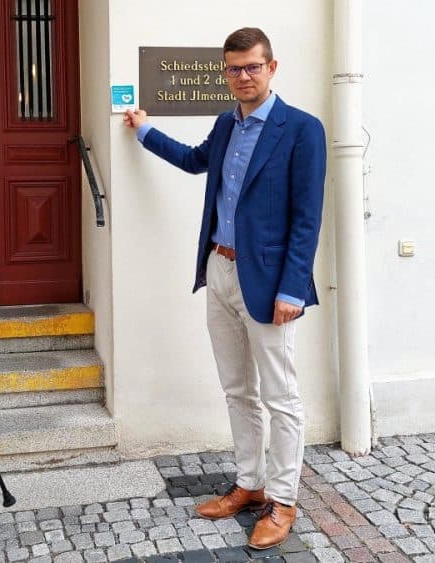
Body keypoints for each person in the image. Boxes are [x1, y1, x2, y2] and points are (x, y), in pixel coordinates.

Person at [123, 27, 326, 549]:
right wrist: (144, 131)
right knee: (238, 390)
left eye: (252, 67)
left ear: (272, 68)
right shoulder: (225, 123)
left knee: (281, 397)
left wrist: (292, 289)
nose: (243, 76)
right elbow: (195, 160)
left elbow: (307, 218)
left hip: (270, 284)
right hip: (219, 270)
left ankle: (283, 501)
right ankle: (249, 485)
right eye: (234, 68)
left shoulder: (302, 130)